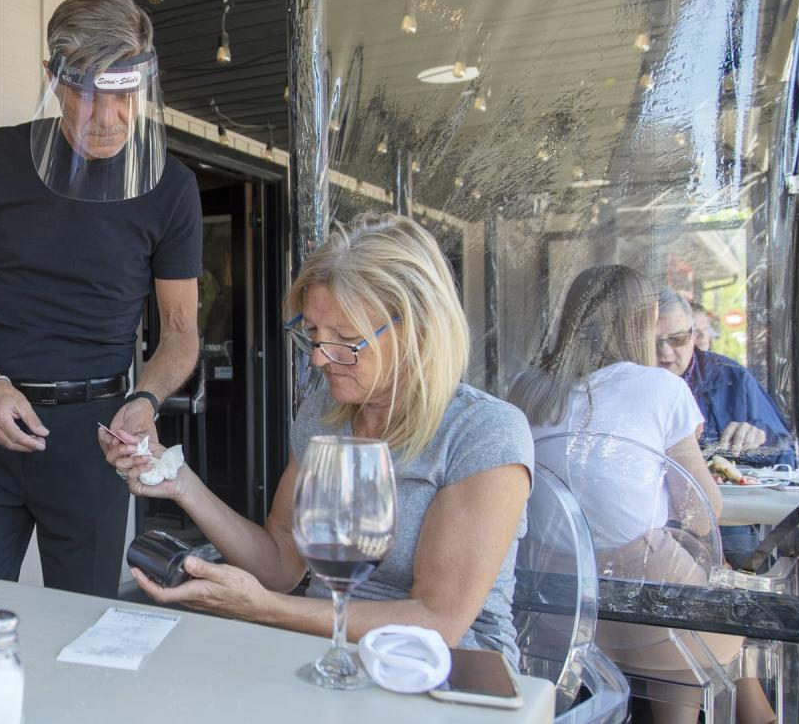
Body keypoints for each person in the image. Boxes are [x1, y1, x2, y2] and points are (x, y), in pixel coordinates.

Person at [104, 212, 534, 666]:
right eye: (311, 335)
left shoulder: (481, 432)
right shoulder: (324, 414)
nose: (320, 360)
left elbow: (438, 623)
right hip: (324, 651)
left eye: (346, 339)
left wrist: (267, 610)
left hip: (448, 671)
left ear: (418, 330)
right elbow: (282, 564)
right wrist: (180, 482)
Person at [0, 0, 202, 598]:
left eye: (124, 95)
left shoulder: (170, 186)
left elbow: (180, 332)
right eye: (87, 95)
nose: (108, 117)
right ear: (53, 77)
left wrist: (145, 401)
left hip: (95, 437)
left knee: (83, 631)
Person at [508, 265, 774, 724]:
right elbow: (701, 511)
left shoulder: (526, 389)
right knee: (725, 603)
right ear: (638, 324)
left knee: (704, 594)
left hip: (552, 598)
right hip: (640, 595)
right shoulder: (662, 388)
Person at [657, 289, 799, 466]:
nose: (665, 353)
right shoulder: (623, 385)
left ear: (693, 336)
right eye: (652, 342)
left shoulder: (734, 379)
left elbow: (794, 458)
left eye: (677, 339)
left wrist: (764, 440)